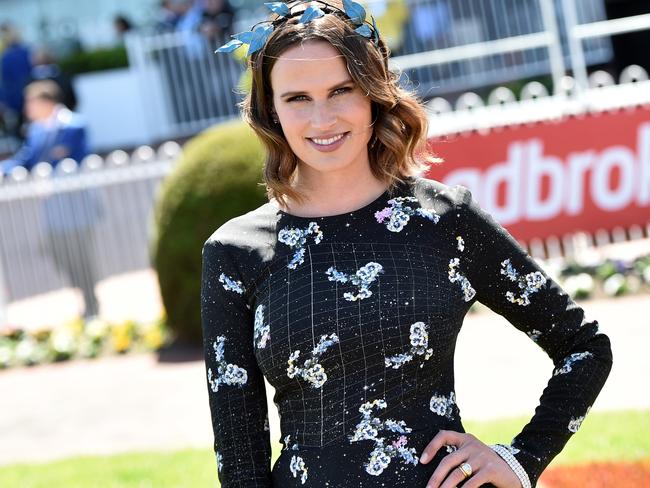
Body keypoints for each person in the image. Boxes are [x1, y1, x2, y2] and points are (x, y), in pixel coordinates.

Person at [201, 1, 613, 487]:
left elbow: (584, 348)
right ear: (270, 109)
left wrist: (519, 459)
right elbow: (239, 453)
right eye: (297, 98)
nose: (323, 117)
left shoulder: (444, 221)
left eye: (341, 90)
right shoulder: (234, 253)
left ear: (374, 94)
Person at [1, 80, 103, 320]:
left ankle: (91, 304)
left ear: (45, 102)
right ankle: (87, 299)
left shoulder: (74, 125)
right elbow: (26, 159)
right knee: (56, 250)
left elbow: (77, 159)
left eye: (31, 103)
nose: (27, 108)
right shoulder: (36, 131)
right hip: (53, 207)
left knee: (81, 254)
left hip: (76, 203)